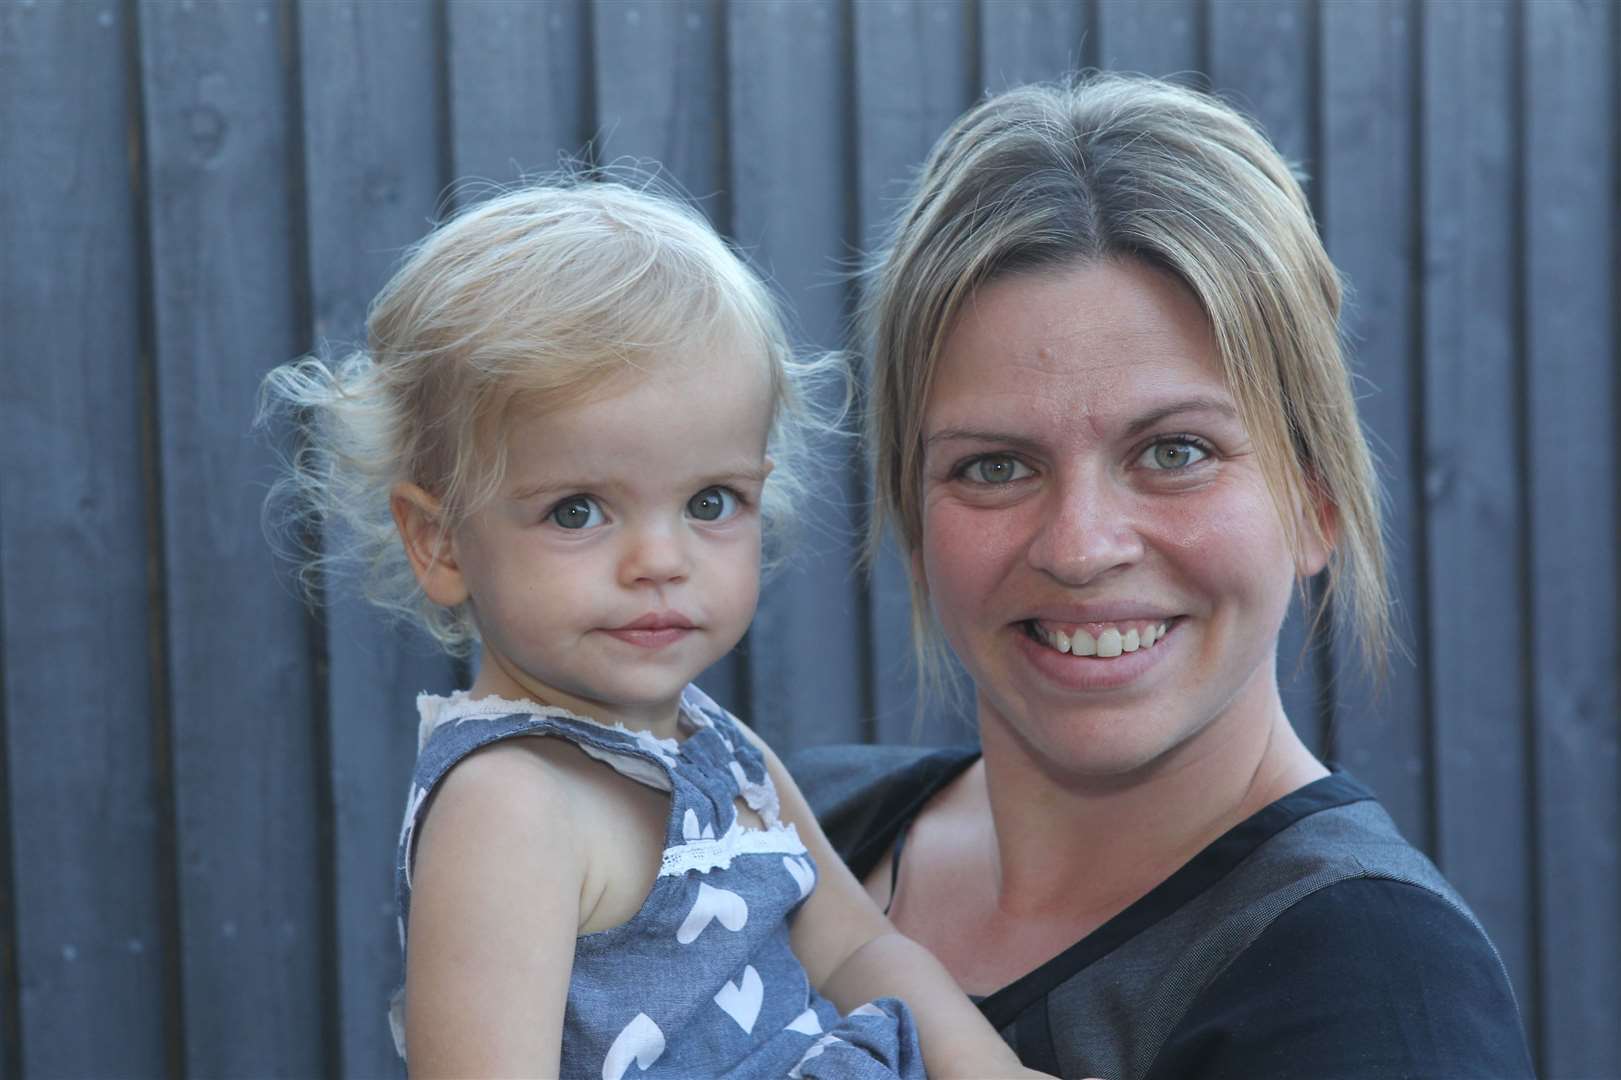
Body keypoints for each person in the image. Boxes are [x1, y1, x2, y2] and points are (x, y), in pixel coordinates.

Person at [792, 74, 1536, 1079]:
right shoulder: (786, 837)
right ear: (912, 517)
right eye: (995, 466)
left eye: (1175, 451)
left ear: (1314, 498)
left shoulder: (1374, 989)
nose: (1080, 545)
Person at [260, 179, 1051, 1079]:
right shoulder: (512, 802)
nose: (658, 560)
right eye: (577, 511)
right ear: (440, 543)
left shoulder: (720, 750)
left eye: (710, 502)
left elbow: (862, 954)